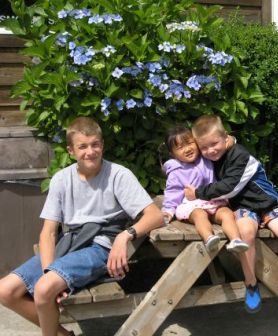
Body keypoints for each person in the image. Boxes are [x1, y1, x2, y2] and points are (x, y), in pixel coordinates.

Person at [0, 117, 164, 336]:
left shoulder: (118, 175)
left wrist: (124, 236)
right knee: (5, 291)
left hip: (101, 246)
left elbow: (155, 215)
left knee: (43, 289)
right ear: (71, 150)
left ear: (102, 145)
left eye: (95, 144)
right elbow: (48, 233)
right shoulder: (61, 179)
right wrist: (49, 271)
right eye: (83, 146)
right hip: (70, 242)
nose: (90, 152)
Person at [185, 115, 278, 313]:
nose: (210, 151)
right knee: (245, 234)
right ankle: (251, 285)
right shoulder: (212, 156)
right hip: (244, 206)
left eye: (215, 144)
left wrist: (197, 193)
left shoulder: (241, 155)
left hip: (268, 203)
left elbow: (229, 188)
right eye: (205, 148)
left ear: (226, 137)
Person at [161, 126, 248, 253]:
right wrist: (168, 210)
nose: (187, 149)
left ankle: (236, 240)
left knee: (227, 213)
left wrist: (231, 140)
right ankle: (209, 238)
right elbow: (172, 193)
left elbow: (219, 149)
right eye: (180, 147)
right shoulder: (175, 171)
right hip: (192, 205)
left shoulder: (206, 157)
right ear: (172, 154)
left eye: (190, 143)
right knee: (199, 215)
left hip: (213, 201)